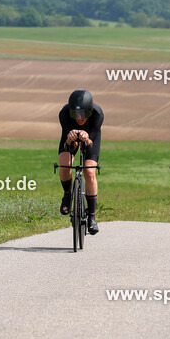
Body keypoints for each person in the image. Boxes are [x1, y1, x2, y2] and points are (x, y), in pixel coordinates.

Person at [57, 89, 104, 235]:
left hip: (90, 138)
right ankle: (67, 195)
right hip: (70, 137)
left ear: (89, 111)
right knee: (65, 165)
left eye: (83, 114)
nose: (79, 118)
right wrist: (71, 139)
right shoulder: (64, 114)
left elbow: (89, 145)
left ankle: (91, 217)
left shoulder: (97, 114)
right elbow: (68, 146)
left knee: (89, 172)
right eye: (76, 114)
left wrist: (86, 138)